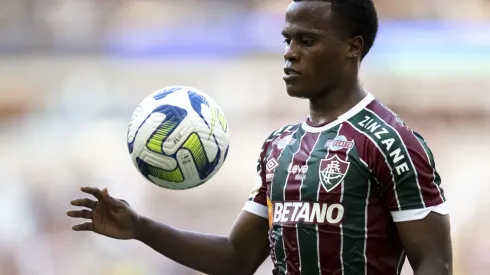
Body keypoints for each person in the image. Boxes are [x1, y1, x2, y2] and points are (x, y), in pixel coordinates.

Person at [66, 1, 452, 274]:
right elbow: (236, 258)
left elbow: (436, 264)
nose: (289, 54)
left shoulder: (390, 142)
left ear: (353, 47)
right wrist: (141, 229)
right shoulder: (279, 146)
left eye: (306, 41)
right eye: (287, 40)